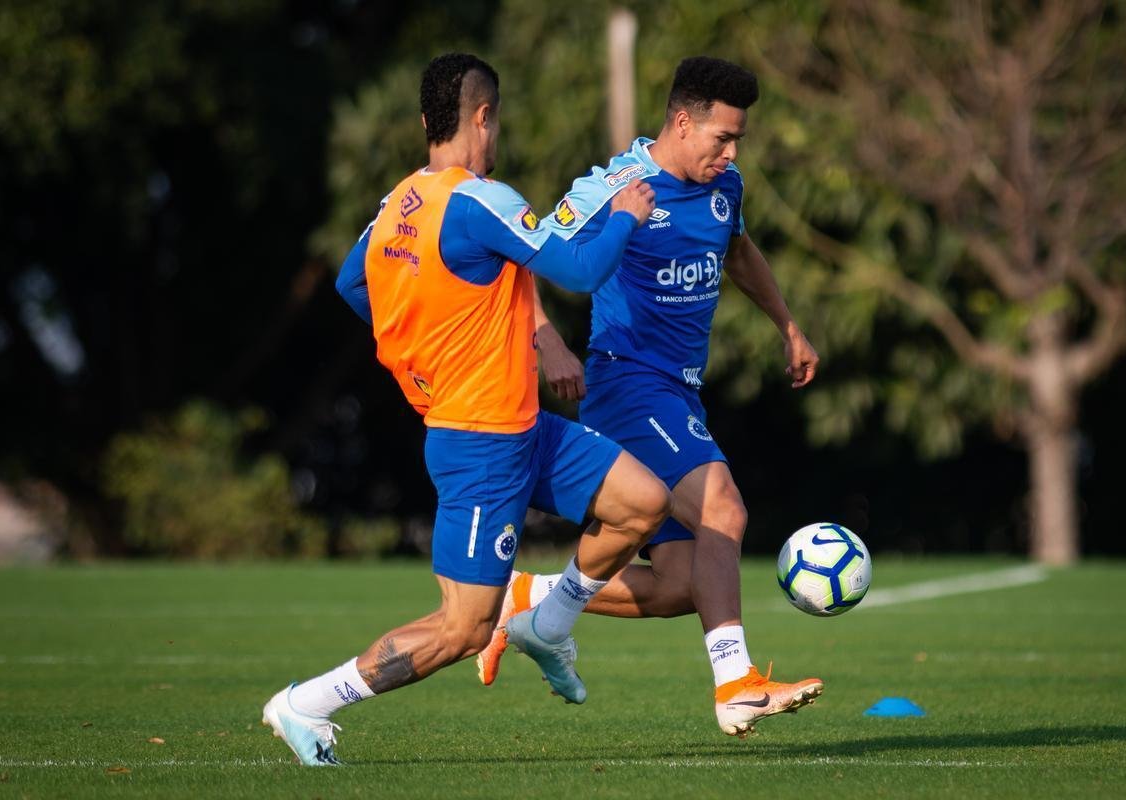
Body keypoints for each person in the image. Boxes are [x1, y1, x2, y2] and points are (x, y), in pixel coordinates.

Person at [262, 53, 670, 766]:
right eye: (496, 118)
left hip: (520, 427)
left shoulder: (398, 202)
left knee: (641, 503)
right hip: (480, 444)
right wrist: (627, 215)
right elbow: (575, 269)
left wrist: (427, 340)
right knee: (464, 631)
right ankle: (306, 704)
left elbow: (353, 281)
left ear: (427, 121)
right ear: (484, 117)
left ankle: (549, 621)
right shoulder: (482, 199)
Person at [476, 56, 823, 738]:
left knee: (679, 585)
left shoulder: (725, 186)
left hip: (680, 396)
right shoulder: (616, 186)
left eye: (739, 141)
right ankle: (736, 685)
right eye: (721, 138)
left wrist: (788, 325)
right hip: (626, 385)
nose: (730, 153)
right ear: (682, 122)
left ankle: (528, 597)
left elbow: (739, 251)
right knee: (724, 506)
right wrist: (548, 342)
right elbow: (523, 251)